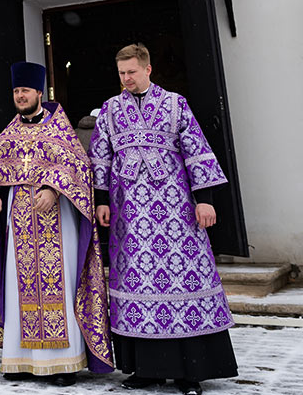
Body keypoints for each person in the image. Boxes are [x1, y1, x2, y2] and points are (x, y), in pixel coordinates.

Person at [88, 44, 238, 395]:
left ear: (148, 69)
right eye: (121, 73)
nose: (126, 78)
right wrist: (102, 201)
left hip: (177, 216)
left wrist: (205, 200)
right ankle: (146, 369)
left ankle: (190, 372)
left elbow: (197, 151)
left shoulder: (175, 104)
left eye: (132, 72)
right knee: (137, 286)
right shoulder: (110, 110)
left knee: (181, 283)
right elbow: (99, 159)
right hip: (130, 219)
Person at [0, 61, 113, 386]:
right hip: (19, 223)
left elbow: (80, 168)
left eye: (25, 91)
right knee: (17, 286)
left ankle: (63, 364)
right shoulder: (9, 133)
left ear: (39, 92)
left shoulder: (59, 130)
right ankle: (20, 359)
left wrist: (54, 188)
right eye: (16, 91)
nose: (20, 96)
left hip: (56, 224)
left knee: (59, 286)